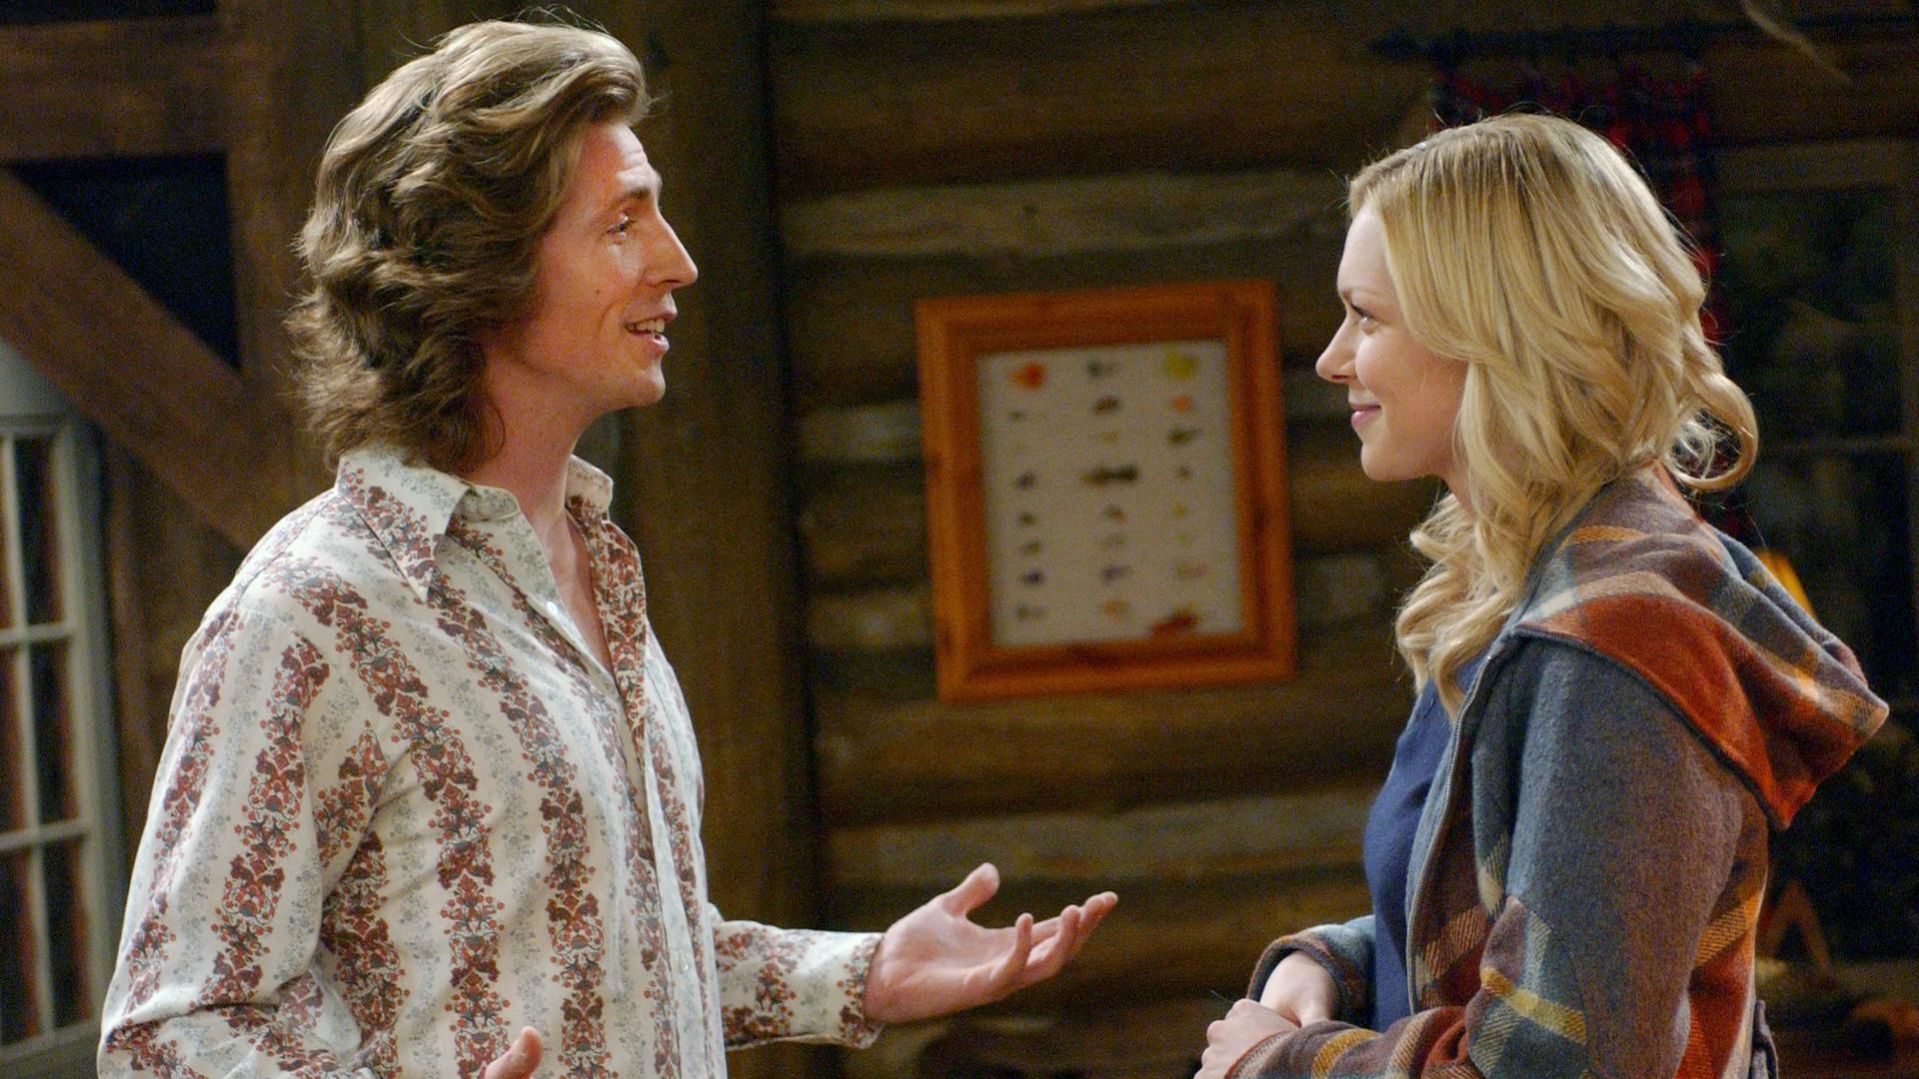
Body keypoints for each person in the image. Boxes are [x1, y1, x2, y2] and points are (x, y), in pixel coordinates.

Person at [99, 18, 1115, 1078]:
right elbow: (167, 1036)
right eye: (623, 222)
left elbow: (609, 959)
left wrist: (855, 974)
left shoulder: (590, 560)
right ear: (480, 265)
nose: (677, 263)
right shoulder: (313, 610)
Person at [1198, 113, 1886, 1078]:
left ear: (1493, 330)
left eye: (1366, 316)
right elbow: (1527, 922)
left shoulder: (1617, 645)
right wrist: (1332, 964)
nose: (1333, 357)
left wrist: (1288, 1061)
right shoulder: (1523, 594)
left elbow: (1563, 1065)